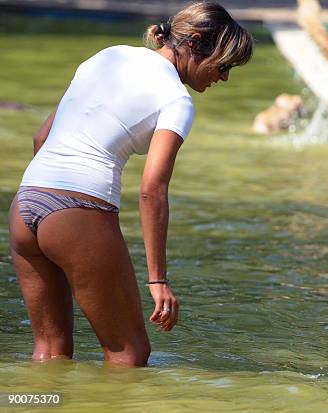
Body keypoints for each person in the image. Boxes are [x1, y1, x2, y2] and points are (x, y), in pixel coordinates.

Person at [8, 2, 253, 367]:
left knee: (50, 352)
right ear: (195, 43)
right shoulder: (176, 99)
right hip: (78, 209)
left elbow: (41, 138)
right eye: (225, 65)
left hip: (25, 204)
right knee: (129, 353)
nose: (225, 77)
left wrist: (48, 208)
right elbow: (152, 188)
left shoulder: (105, 58)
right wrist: (158, 281)